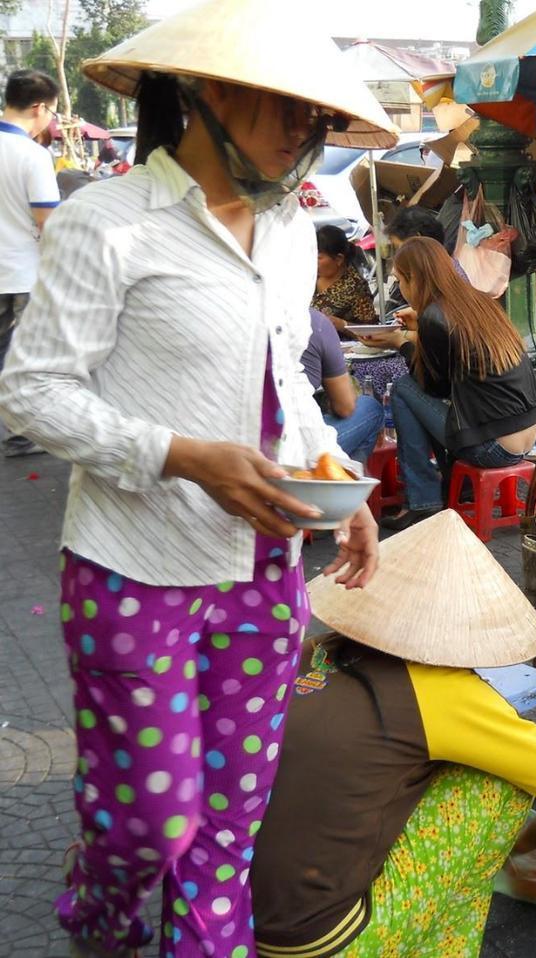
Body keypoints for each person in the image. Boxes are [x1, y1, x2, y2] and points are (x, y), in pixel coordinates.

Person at [0, 1, 393, 953]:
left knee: (226, 832)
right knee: (150, 824)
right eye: (288, 110)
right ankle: (100, 906)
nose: (307, 135)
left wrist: (334, 471)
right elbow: (30, 392)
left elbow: (287, 370)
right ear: (212, 93)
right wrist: (182, 456)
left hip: (263, 578)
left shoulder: (292, 233)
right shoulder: (109, 220)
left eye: (319, 118)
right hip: (133, 570)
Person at [252, 511, 536, 957]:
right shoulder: (443, 690)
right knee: (498, 785)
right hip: (324, 940)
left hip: (232, 915)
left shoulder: (311, 653)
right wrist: (529, 843)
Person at [362, 237, 536, 531]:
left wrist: (400, 342)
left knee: (405, 387)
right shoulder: (479, 302)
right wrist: (419, 324)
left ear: (414, 278)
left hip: (492, 448)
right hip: (527, 439)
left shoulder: (435, 317)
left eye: (400, 281)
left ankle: (422, 500)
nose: (400, 290)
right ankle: (448, 486)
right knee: (419, 392)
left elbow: (435, 389)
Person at [0, 68, 59, 459]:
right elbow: (48, 223)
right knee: (21, 354)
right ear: (38, 107)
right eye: (52, 111)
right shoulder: (32, 156)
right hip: (20, 273)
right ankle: (20, 433)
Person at [301, 307, 382, 463]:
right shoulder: (314, 322)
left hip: (247, 447)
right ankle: (346, 480)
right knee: (371, 407)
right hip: (292, 448)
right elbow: (345, 407)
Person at [312, 223, 375, 334]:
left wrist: (342, 325)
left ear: (339, 259)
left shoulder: (356, 288)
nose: (312, 262)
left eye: (318, 257)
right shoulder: (309, 279)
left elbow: (371, 331)